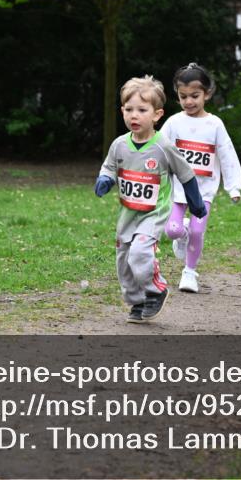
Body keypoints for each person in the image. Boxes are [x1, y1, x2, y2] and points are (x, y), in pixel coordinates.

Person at [95, 76, 207, 323]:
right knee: (124, 262)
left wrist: (196, 203)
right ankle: (137, 301)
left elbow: (186, 174)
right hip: (128, 214)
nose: (134, 116)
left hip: (154, 212)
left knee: (139, 254)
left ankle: (157, 289)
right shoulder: (119, 145)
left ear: (157, 115)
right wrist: (105, 178)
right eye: (129, 109)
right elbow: (109, 167)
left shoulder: (163, 146)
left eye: (141, 110)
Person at [161, 63, 241, 294]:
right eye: (183, 96)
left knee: (198, 231)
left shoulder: (215, 124)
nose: (189, 102)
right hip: (179, 189)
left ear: (207, 94)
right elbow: (160, 147)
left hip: (204, 191)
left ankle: (189, 272)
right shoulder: (174, 122)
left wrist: (233, 187)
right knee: (173, 230)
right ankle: (183, 234)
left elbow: (227, 154)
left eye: (195, 96)